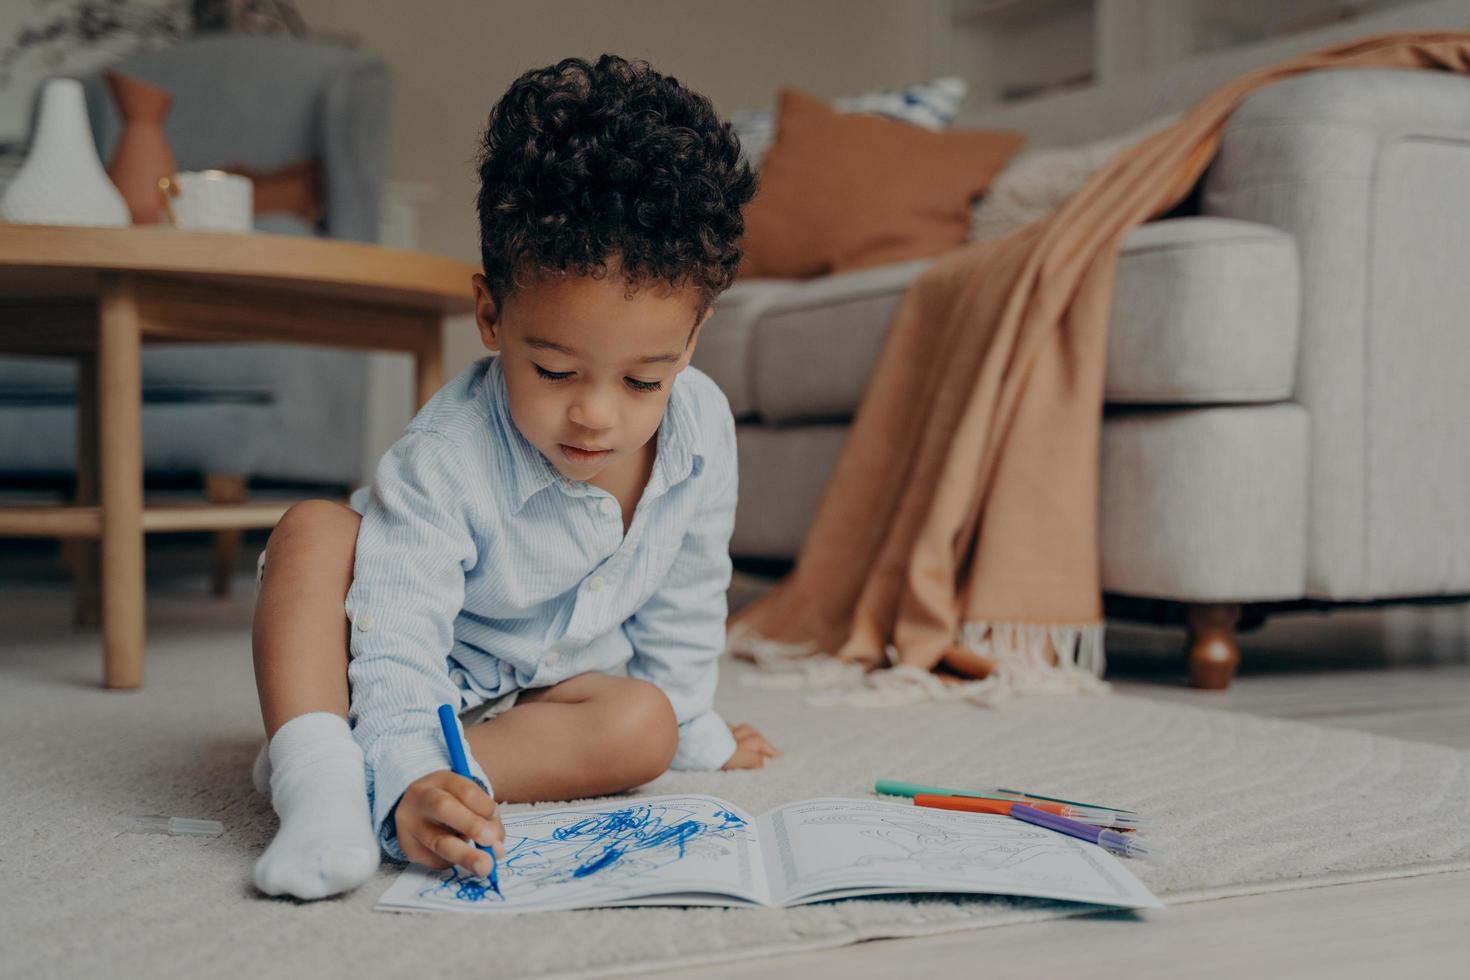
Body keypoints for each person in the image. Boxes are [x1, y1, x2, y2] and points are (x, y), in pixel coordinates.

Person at [248, 54, 776, 900]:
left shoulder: (702, 425)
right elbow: (397, 629)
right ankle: (322, 779)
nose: (597, 416)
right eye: (556, 372)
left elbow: (690, 588)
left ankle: (427, 786)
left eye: (644, 379)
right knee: (313, 532)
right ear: (492, 315)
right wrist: (406, 756)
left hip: (536, 702)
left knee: (649, 725)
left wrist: (698, 727)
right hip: (382, 662)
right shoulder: (447, 455)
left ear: (695, 335)